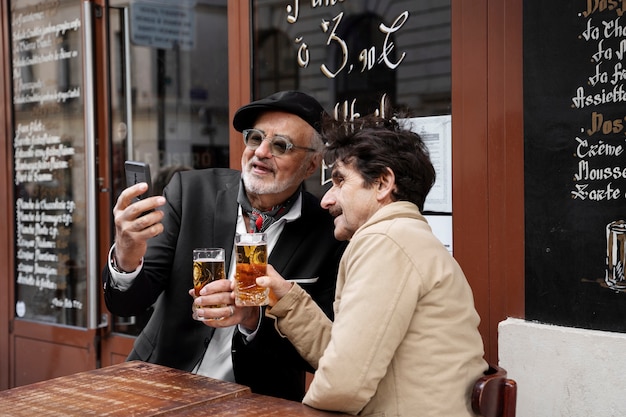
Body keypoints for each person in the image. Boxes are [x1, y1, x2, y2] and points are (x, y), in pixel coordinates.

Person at [102, 90, 345, 401]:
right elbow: (126, 305)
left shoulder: (326, 231)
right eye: (255, 138)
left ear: (311, 165)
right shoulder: (190, 193)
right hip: (160, 386)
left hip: (257, 401)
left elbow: (319, 351)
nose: (261, 152)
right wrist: (126, 253)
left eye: (280, 145)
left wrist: (251, 319)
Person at [256, 110, 488, 416]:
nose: (326, 199)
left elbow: (343, 384)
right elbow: (346, 358)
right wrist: (287, 298)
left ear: (382, 184)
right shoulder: (403, 236)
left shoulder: (387, 240)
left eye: (339, 181)